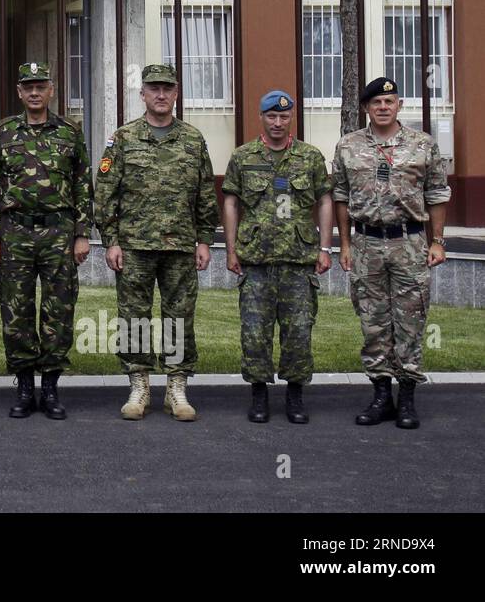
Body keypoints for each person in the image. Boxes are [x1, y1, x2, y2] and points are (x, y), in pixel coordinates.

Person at [94, 63, 218, 421]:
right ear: (143, 94)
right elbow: (106, 194)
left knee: (179, 317)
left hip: (180, 245)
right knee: (134, 317)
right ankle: (139, 385)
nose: (161, 95)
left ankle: (176, 387)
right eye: (154, 89)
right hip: (134, 245)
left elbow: (205, 193)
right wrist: (111, 241)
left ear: (176, 93)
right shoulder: (124, 138)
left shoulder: (193, 140)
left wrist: (205, 240)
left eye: (167, 88)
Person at [333, 76, 451, 430]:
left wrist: (438, 241)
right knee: (373, 321)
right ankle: (381, 395)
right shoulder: (348, 146)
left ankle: (408, 398)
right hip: (366, 243)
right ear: (366, 108)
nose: (383, 108)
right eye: (376, 103)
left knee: (411, 321)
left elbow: (437, 194)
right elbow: (340, 195)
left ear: (399, 105)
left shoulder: (422, 145)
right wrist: (344, 243)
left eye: (390, 102)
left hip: (410, 242)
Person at [0, 62, 92, 419]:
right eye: (28, 86)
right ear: (19, 91)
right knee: (16, 310)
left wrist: (82, 233)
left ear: (51, 90)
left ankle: (51, 387)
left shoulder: (69, 132)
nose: (34, 92)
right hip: (15, 232)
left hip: (59, 233)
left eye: (40, 86)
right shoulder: (4, 132)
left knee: (58, 310)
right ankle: (25, 386)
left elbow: (81, 185)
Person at [222, 90, 333, 424]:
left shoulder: (309, 157)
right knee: (254, 333)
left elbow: (325, 201)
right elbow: (231, 202)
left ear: (291, 119)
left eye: (284, 117)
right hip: (255, 262)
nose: (278, 123)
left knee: (298, 332)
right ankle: (259, 394)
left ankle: (295, 395)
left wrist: (325, 247)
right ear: (262, 117)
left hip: (299, 262)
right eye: (272, 116)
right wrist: (230, 249)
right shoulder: (243, 157)